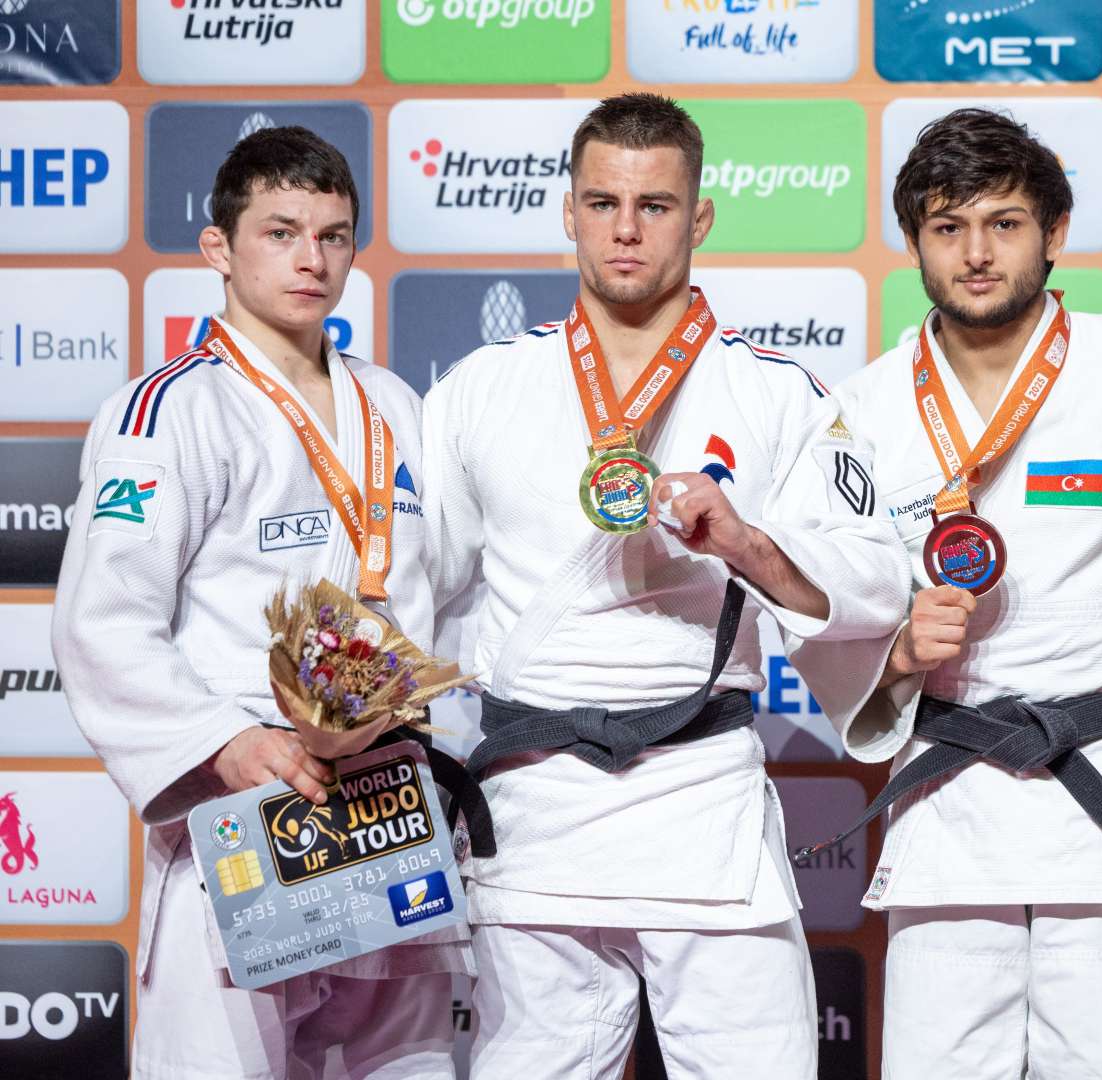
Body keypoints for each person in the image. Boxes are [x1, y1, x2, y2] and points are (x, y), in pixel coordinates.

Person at [421, 93, 909, 1080]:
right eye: (602, 203)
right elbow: (416, 585)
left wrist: (745, 542)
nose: (626, 229)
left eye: (654, 205)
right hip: (529, 809)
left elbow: (874, 576)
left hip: (702, 802)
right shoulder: (480, 387)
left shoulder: (776, 393)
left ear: (700, 217)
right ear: (568, 212)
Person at [52, 126, 466, 1078]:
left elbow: (444, 596)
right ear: (218, 249)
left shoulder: (395, 406)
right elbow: (103, 619)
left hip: (385, 811)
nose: (311, 259)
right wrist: (226, 743)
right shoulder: (170, 409)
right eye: (281, 231)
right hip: (244, 810)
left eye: (333, 235)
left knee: (403, 1067)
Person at [817, 108, 1102, 1079]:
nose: (976, 253)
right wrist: (897, 652)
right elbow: (831, 598)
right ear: (914, 245)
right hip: (955, 801)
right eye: (948, 228)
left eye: (1004, 223)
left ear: (1054, 233)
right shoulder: (860, 408)